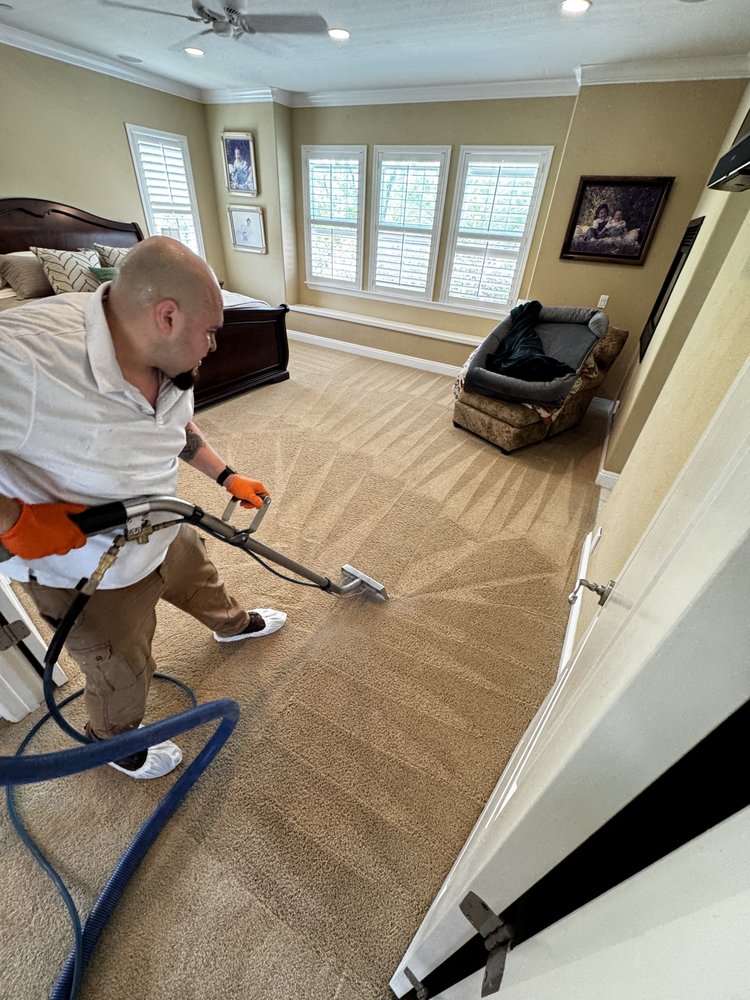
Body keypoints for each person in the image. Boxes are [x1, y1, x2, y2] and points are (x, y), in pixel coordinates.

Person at [0, 237, 286, 780]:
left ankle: (231, 624)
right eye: (209, 332)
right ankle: (115, 745)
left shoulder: (162, 353)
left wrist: (224, 474)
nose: (213, 346)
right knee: (121, 669)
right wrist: (14, 522)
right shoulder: (24, 358)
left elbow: (173, 422)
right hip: (85, 566)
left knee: (200, 577)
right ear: (167, 316)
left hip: (161, 517)